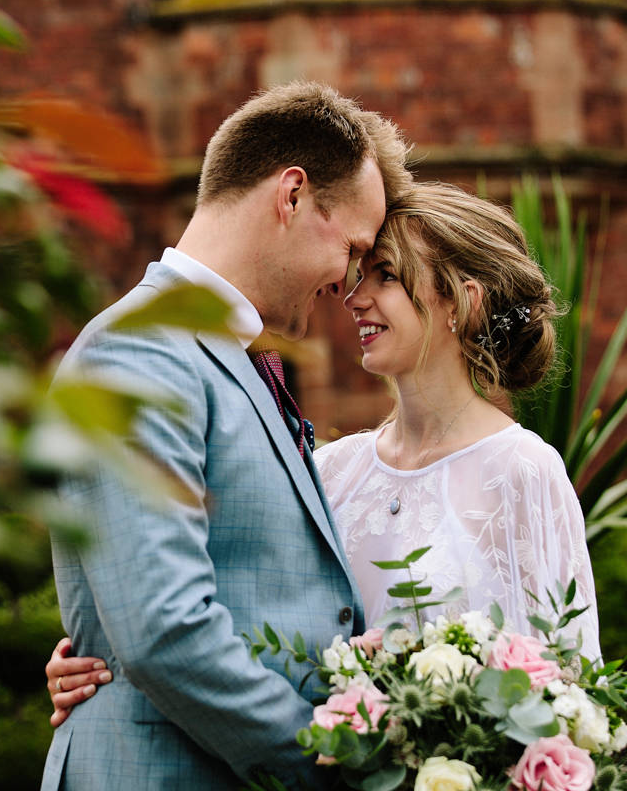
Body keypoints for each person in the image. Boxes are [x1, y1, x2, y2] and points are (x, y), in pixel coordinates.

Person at [45, 181, 602, 737]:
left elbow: (573, 693)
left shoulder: (523, 470)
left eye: (387, 276)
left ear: (461, 300)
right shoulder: (330, 469)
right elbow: (218, 603)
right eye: (360, 274)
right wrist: (105, 652)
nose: (355, 296)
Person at [41, 82, 412, 790]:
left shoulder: (220, 356)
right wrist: (329, 763)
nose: (346, 282)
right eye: (353, 247)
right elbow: (162, 632)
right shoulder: (138, 353)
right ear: (292, 196)